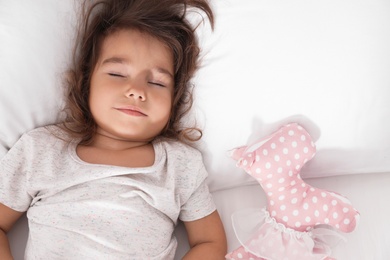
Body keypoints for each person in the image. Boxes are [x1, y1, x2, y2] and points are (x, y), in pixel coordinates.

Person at [0, 0, 227, 259]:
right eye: (117, 74)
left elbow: (210, 241)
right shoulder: (40, 149)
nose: (137, 91)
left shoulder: (180, 165)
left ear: (174, 102)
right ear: (86, 84)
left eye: (156, 82)